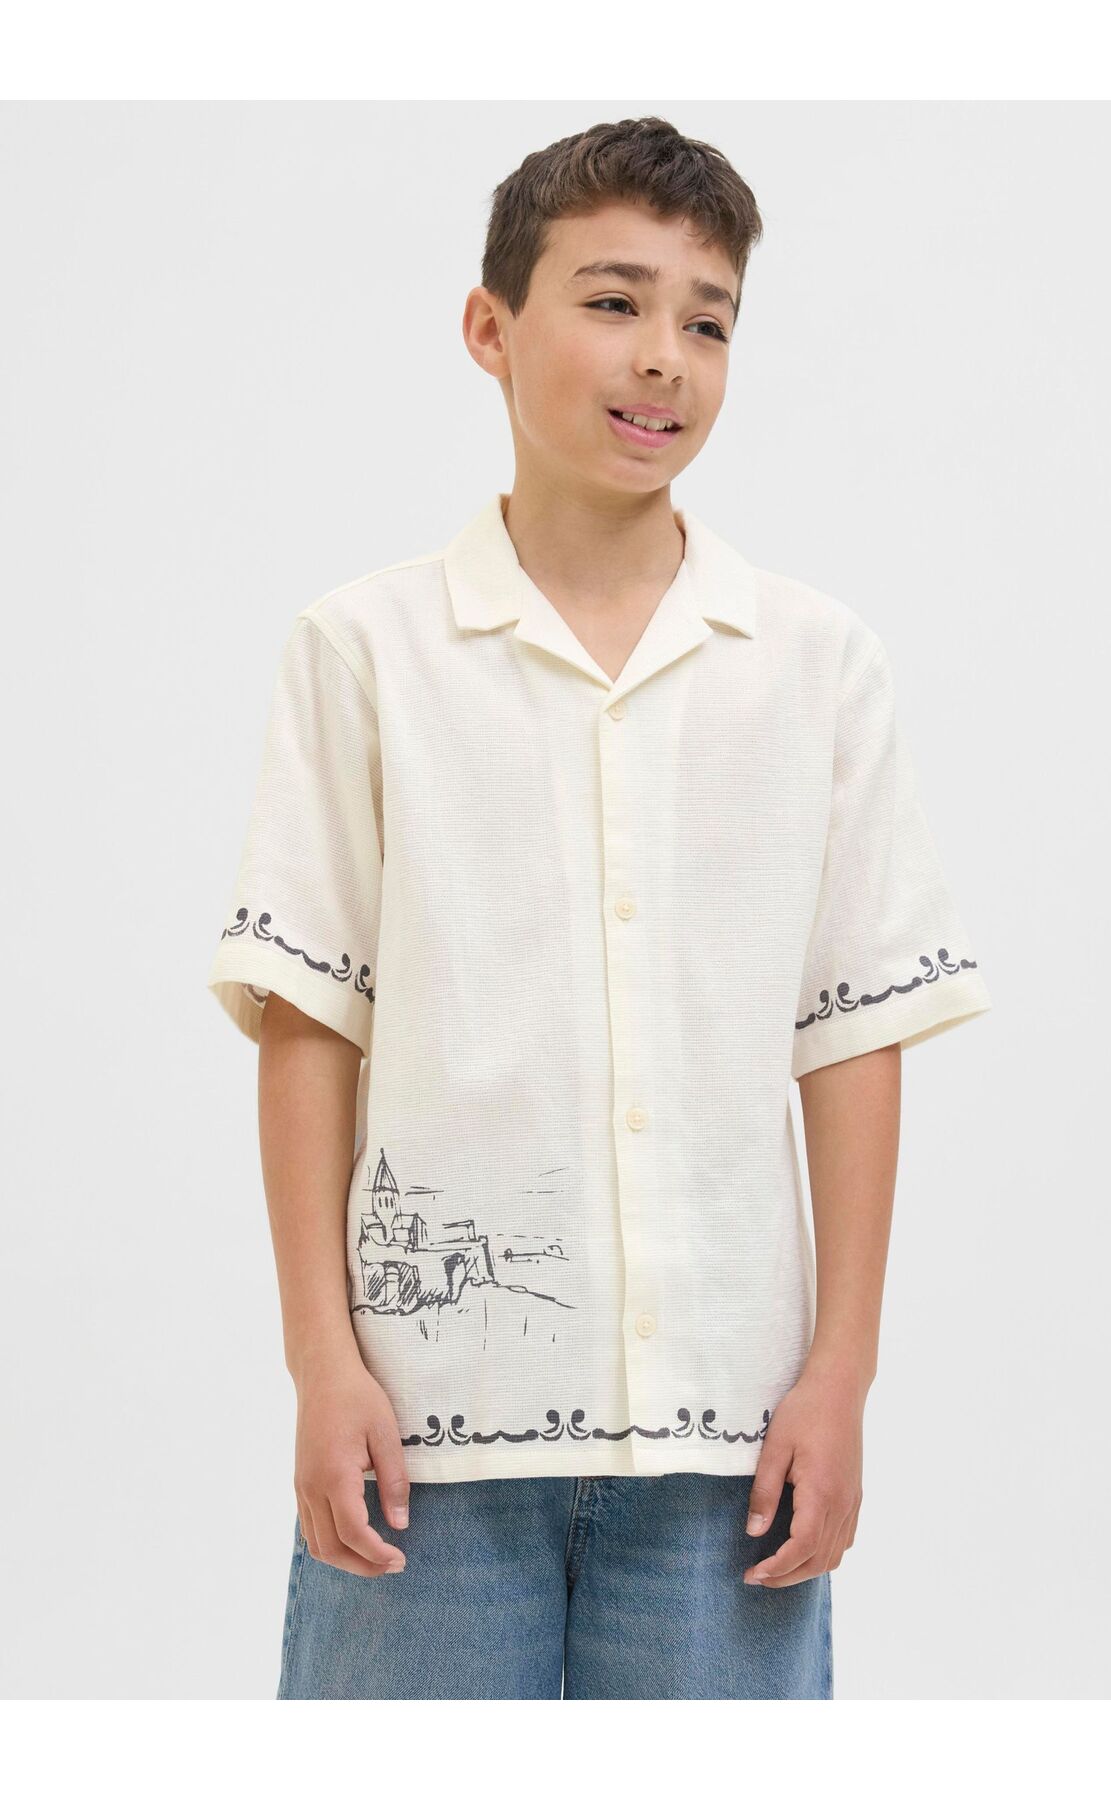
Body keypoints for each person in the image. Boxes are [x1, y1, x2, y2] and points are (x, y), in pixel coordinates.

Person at [206, 115, 992, 1701]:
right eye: (615, 301)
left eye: (709, 321)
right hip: (424, 1436)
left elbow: (850, 1039)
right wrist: (321, 1363)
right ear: (490, 328)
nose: (663, 360)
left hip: (729, 1445)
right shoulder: (366, 651)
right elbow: (309, 1024)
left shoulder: (816, 664)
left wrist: (841, 1375)